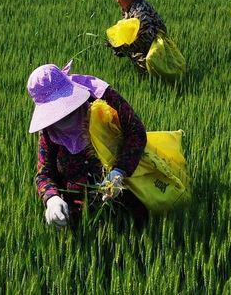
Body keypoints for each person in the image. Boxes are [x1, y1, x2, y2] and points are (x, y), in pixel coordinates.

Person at [28, 62, 148, 227]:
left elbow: (136, 132)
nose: (62, 115)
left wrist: (119, 171)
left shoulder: (103, 98)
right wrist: (52, 199)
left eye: (65, 106)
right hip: (80, 220)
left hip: (127, 207)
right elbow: (45, 174)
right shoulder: (49, 130)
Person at [109, 0, 167, 73]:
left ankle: (149, 76)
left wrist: (125, 48)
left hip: (156, 48)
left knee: (144, 65)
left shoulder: (141, 13)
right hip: (147, 43)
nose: (117, 0)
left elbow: (147, 39)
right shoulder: (132, 5)